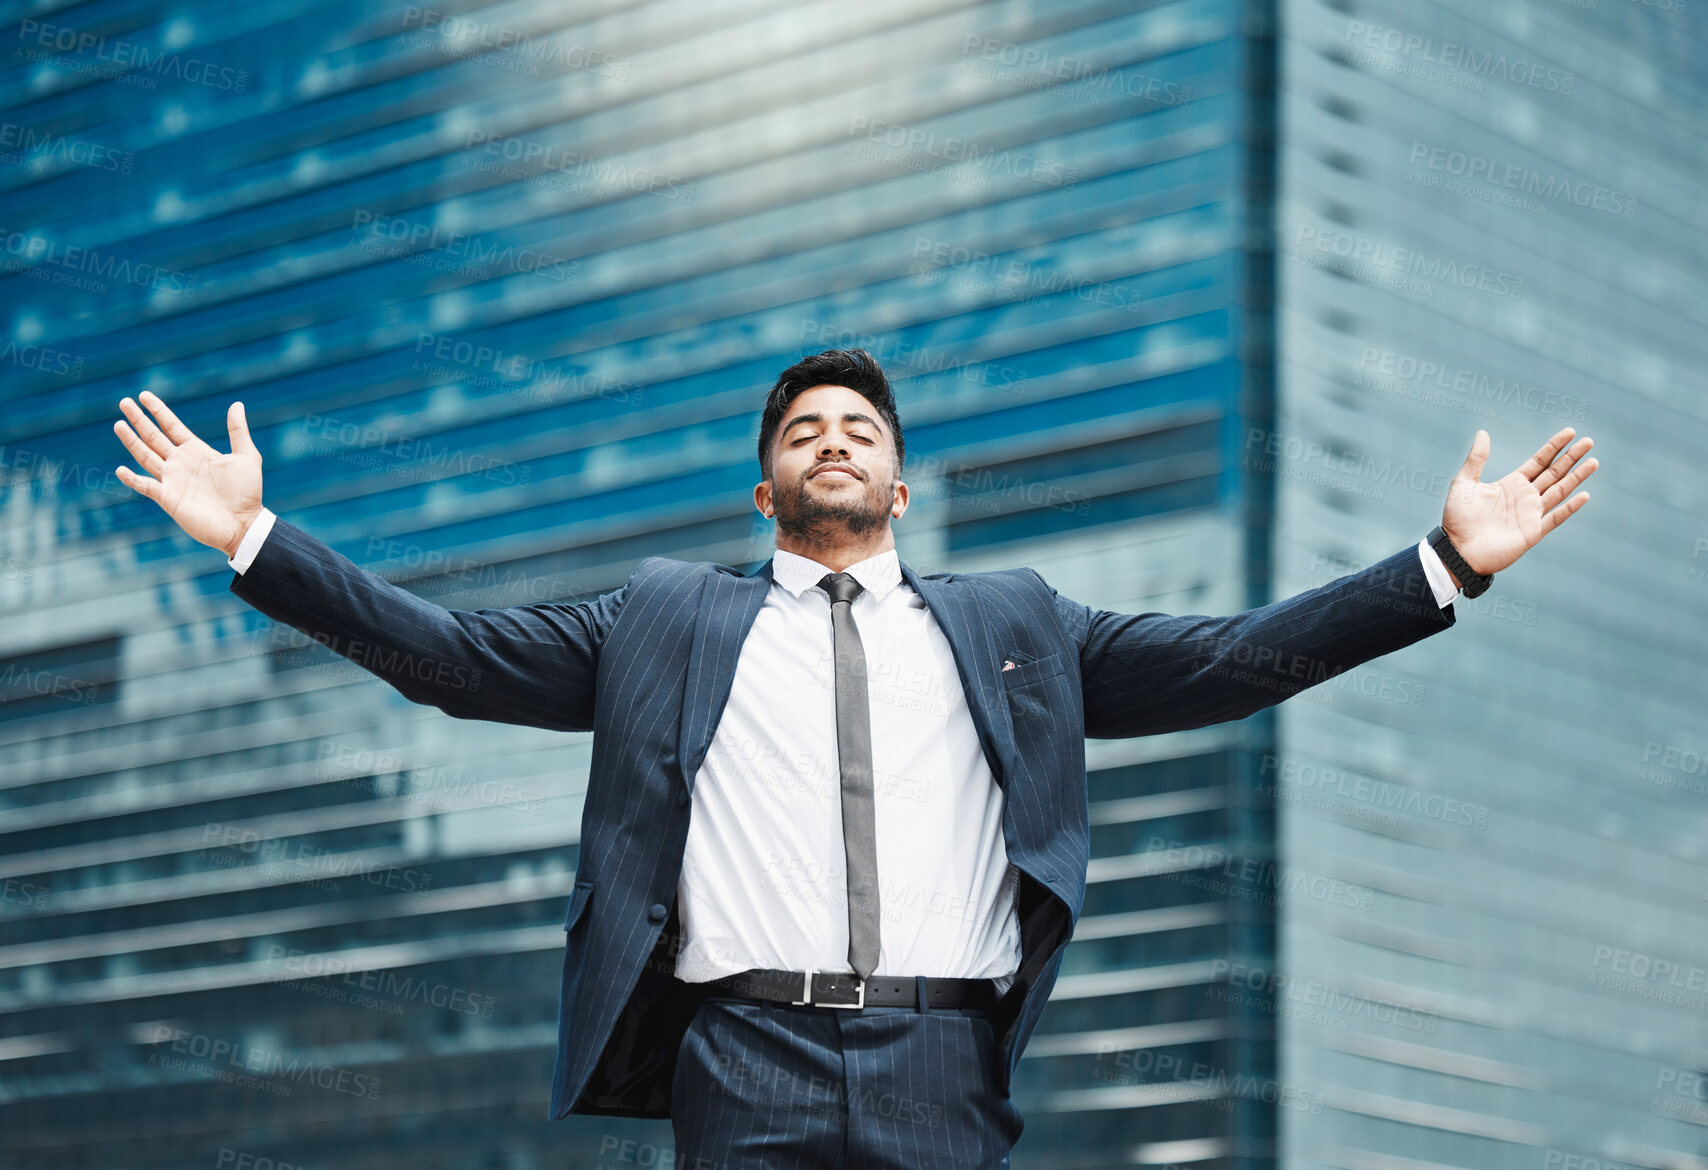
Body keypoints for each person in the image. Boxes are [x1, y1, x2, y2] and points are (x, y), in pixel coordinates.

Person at [112, 348, 1596, 1168]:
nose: (835, 439)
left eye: (861, 427)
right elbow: (447, 658)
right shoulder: (661, 615)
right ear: (764, 485)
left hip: (942, 1057)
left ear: (902, 480)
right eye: (807, 429)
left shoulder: (1019, 624)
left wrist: (1441, 567)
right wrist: (255, 538)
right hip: (736, 1054)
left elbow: (1231, 660)